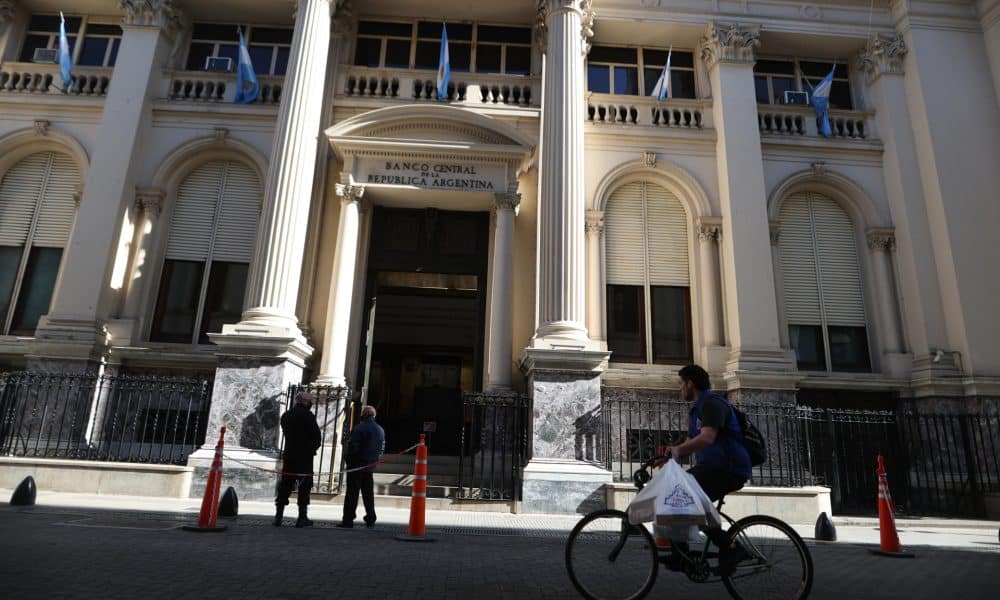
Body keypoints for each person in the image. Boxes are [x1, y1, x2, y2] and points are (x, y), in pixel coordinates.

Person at [664, 364, 752, 571]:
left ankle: (731, 548)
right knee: (677, 495)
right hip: (713, 468)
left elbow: (707, 437)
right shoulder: (696, 409)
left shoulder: (712, 404)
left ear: (690, 383)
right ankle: (680, 552)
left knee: (686, 497)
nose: (680, 389)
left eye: (681, 384)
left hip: (728, 468)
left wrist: (679, 450)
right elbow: (689, 443)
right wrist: (671, 454)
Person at [273, 391, 321, 528]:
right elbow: (317, 437)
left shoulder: (287, 415)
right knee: (304, 486)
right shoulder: (308, 416)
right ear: (305, 402)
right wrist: (311, 449)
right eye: (310, 401)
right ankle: (302, 517)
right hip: (304, 457)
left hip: (289, 455)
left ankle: (278, 516)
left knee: (285, 485)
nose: (311, 403)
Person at [338, 405, 385, 529]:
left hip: (357, 464)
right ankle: (370, 518)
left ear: (364, 415)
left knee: (352, 493)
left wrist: (348, 459)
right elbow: (381, 448)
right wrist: (375, 460)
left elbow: (353, 446)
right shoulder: (380, 429)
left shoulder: (360, 428)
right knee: (368, 494)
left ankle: (348, 519)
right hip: (370, 465)